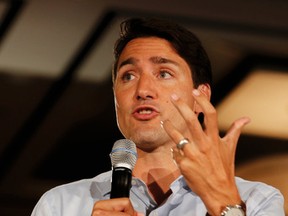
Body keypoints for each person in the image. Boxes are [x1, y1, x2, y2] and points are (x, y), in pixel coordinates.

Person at [31, 17, 285, 216]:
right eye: (128, 76)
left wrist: (225, 204)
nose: (142, 90)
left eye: (163, 73)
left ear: (200, 96)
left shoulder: (256, 199)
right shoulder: (61, 205)